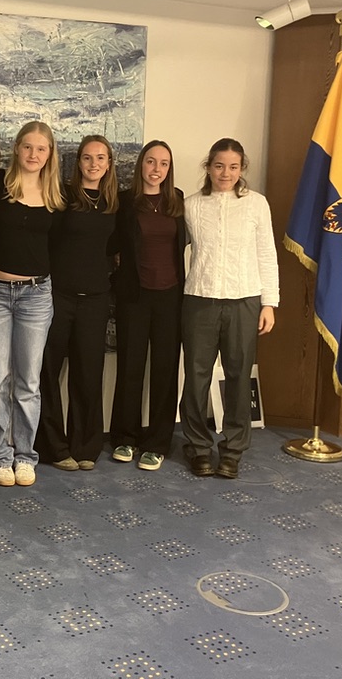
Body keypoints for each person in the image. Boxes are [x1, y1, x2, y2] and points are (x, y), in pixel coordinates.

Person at [180, 138, 279, 479]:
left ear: (242, 169)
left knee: (239, 376)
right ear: (208, 167)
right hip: (200, 300)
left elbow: (267, 254)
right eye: (219, 166)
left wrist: (269, 303)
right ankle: (198, 447)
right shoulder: (191, 205)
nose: (226, 173)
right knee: (196, 376)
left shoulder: (257, 205)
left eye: (233, 167)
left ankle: (233, 449)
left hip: (244, 301)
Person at [0, 121, 65, 487]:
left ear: (50, 154)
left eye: (41, 149)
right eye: (28, 146)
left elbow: (60, 247)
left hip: (36, 296)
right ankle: (0, 456)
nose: (34, 154)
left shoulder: (56, 195)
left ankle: (25, 455)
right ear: (16, 148)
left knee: (29, 382)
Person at [36, 135, 118, 471]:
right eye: (87, 157)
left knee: (88, 374)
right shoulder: (63, 198)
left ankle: (86, 446)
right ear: (78, 162)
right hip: (58, 296)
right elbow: (48, 241)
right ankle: (53, 446)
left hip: (95, 299)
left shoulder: (114, 204)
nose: (93, 164)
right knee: (48, 371)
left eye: (100, 158)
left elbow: (115, 249)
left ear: (109, 164)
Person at [110, 140, 186, 471]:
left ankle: (157, 443)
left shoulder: (177, 200)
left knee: (165, 370)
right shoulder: (125, 202)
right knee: (130, 367)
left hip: (170, 296)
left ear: (169, 169)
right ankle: (124, 438)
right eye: (151, 161)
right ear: (141, 164)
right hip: (134, 296)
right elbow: (111, 244)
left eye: (163, 163)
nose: (156, 169)